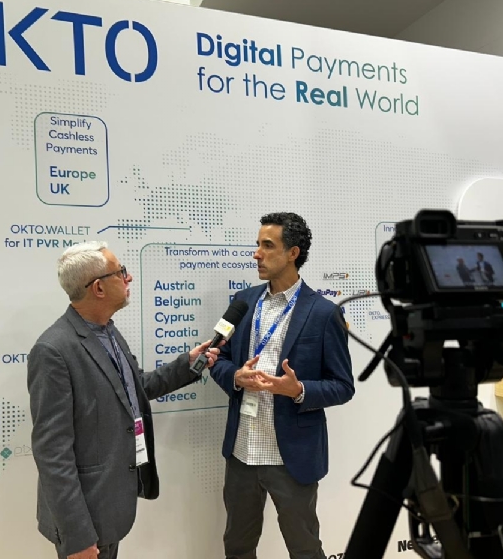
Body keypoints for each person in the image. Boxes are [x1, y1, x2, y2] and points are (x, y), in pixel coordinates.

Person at [27, 241, 222, 559]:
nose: (128, 278)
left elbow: (134, 388)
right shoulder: (53, 350)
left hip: (111, 504)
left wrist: (188, 364)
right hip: (85, 517)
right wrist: (77, 536)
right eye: (120, 272)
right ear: (99, 288)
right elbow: (52, 453)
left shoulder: (107, 331)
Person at [210, 212, 355, 559]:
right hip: (242, 451)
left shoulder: (323, 313)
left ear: (292, 253)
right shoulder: (243, 302)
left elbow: (342, 386)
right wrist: (235, 376)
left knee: (305, 549)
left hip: (291, 456)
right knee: (237, 546)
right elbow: (218, 357)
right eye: (257, 245)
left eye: (267, 245)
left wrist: (298, 390)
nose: (257, 254)